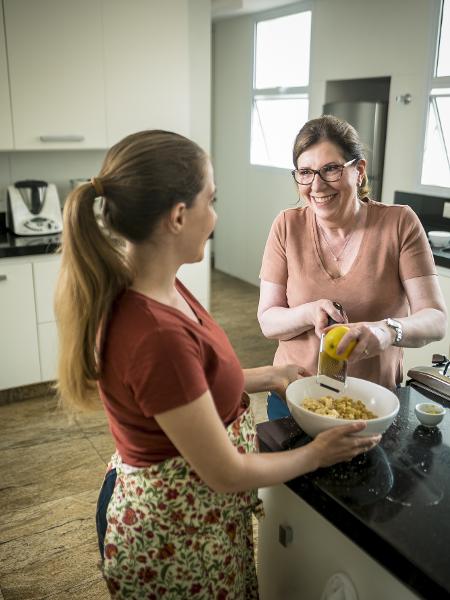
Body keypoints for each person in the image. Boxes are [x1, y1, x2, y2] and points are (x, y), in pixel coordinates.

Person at [54, 129, 381, 599]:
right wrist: (318, 453)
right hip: (173, 542)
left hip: (197, 524)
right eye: (212, 200)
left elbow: (186, 389)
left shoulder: (162, 287)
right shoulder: (153, 332)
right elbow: (225, 472)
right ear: (179, 216)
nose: (216, 216)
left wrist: (272, 375)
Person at [258, 115, 447, 420]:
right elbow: (268, 320)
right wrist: (309, 312)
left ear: (358, 170)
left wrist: (387, 332)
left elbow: (435, 319)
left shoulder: (399, 224)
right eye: (305, 172)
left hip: (372, 403)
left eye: (330, 169)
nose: (316, 185)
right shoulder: (286, 226)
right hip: (295, 395)